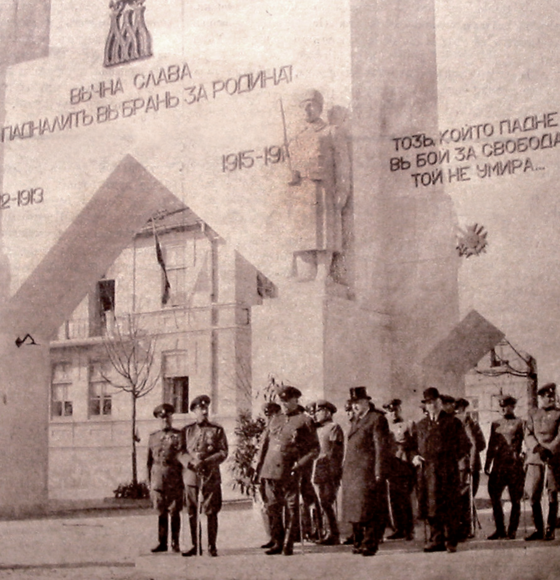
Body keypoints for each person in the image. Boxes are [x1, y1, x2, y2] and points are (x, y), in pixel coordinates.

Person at [254, 385, 320, 555]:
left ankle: (288, 544)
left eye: (286, 401)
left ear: (295, 400)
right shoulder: (275, 419)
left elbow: (314, 449)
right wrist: (258, 468)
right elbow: (264, 445)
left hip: (289, 470)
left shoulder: (305, 420)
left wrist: (299, 465)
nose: (283, 404)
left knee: (291, 508)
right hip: (269, 470)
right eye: (281, 401)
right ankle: (277, 541)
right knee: (273, 507)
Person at [288, 89, 351, 266]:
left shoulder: (331, 131)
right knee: (305, 234)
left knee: (325, 234)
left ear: (320, 107)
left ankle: (324, 272)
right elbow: (294, 163)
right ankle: (308, 269)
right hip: (304, 190)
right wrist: (293, 174)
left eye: (311, 106)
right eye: (304, 106)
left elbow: (342, 164)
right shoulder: (298, 136)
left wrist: (343, 190)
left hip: (324, 189)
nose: (307, 110)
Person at [413, 387, 471, 553]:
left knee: (449, 505)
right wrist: (415, 457)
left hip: (447, 471)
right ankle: (436, 539)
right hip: (427, 472)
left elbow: (465, 445)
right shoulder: (421, 425)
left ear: (440, 402)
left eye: (434, 402)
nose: (431, 405)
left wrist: (450, 460)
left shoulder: (453, 422)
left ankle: (451, 541)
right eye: (428, 403)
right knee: (431, 505)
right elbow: (413, 447)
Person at [341, 386, 390, 557]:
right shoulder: (356, 421)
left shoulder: (376, 419)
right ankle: (359, 541)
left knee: (370, 509)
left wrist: (379, 471)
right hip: (353, 473)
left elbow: (380, 448)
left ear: (367, 401)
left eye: (358, 403)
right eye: (353, 403)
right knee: (356, 509)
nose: (355, 406)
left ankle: (370, 544)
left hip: (367, 471)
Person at [181, 395, 228, 557]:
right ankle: (196, 545)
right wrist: (191, 462)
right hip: (192, 476)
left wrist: (206, 461)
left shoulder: (217, 430)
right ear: (194, 411)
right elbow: (180, 452)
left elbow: (223, 452)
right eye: (201, 409)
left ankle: (211, 546)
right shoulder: (187, 431)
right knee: (192, 511)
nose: (204, 411)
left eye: (206, 408)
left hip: (210, 476)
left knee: (211, 511)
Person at [484, 395, 525, 540]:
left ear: (512, 406)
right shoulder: (495, 424)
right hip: (499, 465)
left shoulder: (520, 423)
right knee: (495, 497)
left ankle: (512, 530)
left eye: (506, 406)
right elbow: (491, 445)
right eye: (501, 406)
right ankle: (500, 529)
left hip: (514, 465)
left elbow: (526, 443)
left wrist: (523, 456)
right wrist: (487, 464)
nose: (503, 408)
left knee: (515, 498)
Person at [524, 382, 560, 541]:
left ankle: (550, 529)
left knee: (552, 493)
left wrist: (550, 450)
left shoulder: (559, 414)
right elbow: (528, 434)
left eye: (552, 396)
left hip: (554, 458)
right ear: (541, 398)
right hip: (536, 458)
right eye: (546, 396)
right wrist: (537, 447)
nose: (550, 398)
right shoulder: (533, 414)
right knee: (533, 493)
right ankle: (539, 529)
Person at [147, 403, 184, 553]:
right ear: (158, 419)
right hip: (158, 478)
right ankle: (162, 542)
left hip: (174, 477)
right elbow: (148, 462)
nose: (165, 421)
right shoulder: (153, 437)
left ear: (171, 418)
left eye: (167, 418)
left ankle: (175, 543)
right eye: (162, 419)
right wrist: (149, 482)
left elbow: (182, 458)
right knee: (161, 512)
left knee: (175, 511)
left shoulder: (179, 435)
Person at [383, 398, 416, 541]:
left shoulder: (408, 424)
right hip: (391, 466)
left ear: (400, 409)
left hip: (404, 465)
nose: (393, 413)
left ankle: (409, 530)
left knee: (405, 499)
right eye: (390, 410)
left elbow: (415, 444)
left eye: (395, 409)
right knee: (393, 499)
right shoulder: (384, 426)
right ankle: (398, 528)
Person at [313, 399, 345, 545]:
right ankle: (320, 532)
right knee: (320, 502)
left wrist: (334, 472)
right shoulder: (317, 429)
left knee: (327, 502)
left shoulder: (334, 428)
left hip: (329, 470)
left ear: (327, 412)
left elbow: (335, 452)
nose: (316, 414)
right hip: (318, 470)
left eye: (319, 411)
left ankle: (334, 533)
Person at [455, 398, 486, 541]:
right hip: (464, 464)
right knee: (464, 497)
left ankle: (467, 528)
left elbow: (478, 443)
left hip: (466, 465)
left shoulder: (466, 421)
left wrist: (470, 460)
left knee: (465, 496)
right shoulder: (467, 421)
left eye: (460, 408)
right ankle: (466, 526)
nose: (459, 411)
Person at [258, 401, 282, 550]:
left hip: (272, 471)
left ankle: (279, 539)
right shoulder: (268, 428)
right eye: (267, 415)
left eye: (272, 414)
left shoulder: (277, 428)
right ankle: (273, 537)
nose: (269, 417)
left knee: (274, 505)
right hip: (264, 471)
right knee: (268, 505)